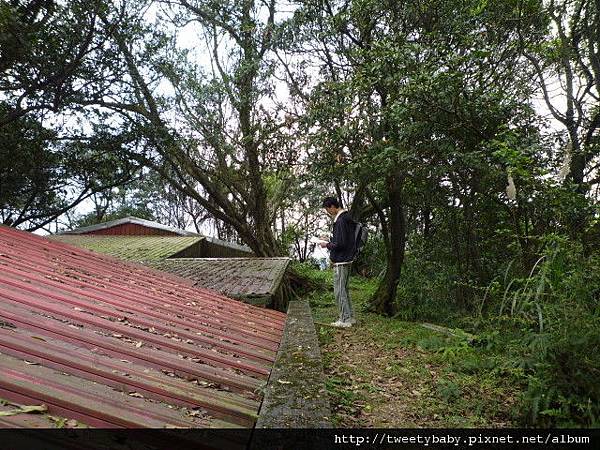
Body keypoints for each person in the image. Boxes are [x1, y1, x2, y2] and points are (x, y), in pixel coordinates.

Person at [320, 196, 356, 328]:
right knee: (344, 290)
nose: (328, 212)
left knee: (339, 291)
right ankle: (350, 317)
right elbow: (343, 239)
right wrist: (330, 239)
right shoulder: (346, 218)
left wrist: (326, 245)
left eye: (328, 209)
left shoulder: (340, 221)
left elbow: (340, 244)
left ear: (332, 207)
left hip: (341, 261)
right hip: (348, 258)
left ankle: (344, 319)